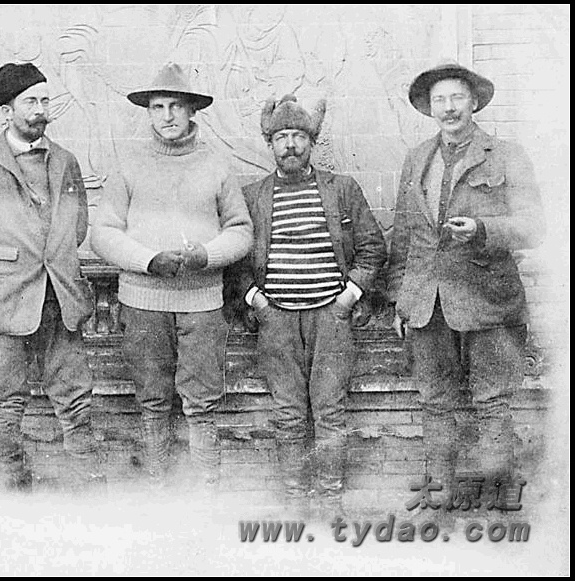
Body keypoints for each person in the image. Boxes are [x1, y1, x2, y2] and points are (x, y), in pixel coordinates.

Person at [0, 62, 102, 492]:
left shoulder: (65, 162)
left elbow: (77, 226)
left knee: (76, 400)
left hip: (58, 301)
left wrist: (53, 263)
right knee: (7, 404)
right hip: (0, 305)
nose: (40, 110)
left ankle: (87, 496)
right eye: (30, 101)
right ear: (6, 111)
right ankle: (11, 495)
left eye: (45, 100)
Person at [386, 63, 546, 499]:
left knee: (491, 402)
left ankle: (499, 501)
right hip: (428, 305)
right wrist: (402, 301)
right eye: (439, 100)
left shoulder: (506, 155)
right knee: (435, 403)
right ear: (429, 108)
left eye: (457, 97)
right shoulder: (418, 158)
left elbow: (534, 226)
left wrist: (482, 229)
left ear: (474, 102)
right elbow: (406, 237)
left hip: (488, 302)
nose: (449, 108)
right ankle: (439, 496)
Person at [91, 63, 253, 492]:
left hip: (202, 303)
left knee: (202, 403)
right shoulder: (129, 164)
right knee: (152, 401)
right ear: (148, 112)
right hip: (143, 303)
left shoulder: (216, 164)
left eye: (176, 106)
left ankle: (206, 494)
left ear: (191, 111)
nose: (167, 116)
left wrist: (207, 255)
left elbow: (241, 230)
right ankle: (159, 493)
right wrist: (148, 260)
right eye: (158, 107)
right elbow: (102, 233)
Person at [226, 94, 387, 512]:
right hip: (276, 320)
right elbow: (236, 259)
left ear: (312, 142)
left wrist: (348, 296)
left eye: (299, 136)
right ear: (270, 144)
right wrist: (257, 302)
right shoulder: (253, 196)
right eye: (282, 137)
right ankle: (295, 504)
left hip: (330, 317)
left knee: (330, 413)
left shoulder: (341, 189)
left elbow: (373, 248)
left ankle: (330, 502)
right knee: (289, 415)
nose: (291, 145)